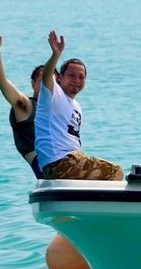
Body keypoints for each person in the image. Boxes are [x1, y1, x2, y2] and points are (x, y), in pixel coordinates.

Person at [34, 30, 123, 180]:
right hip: (58, 163)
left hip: (72, 160)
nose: (77, 80)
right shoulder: (52, 94)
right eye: (72, 76)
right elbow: (47, 74)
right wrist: (55, 55)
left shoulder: (76, 106)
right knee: (116, 172)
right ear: (60, 78)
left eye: (81, 77)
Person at [0, 26, 46, 178]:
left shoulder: (57, 109)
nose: (47, 84)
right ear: (33, 84)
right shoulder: (26, 106)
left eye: (51, 80)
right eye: (42, 80)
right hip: (45, 167)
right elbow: (3, 82)